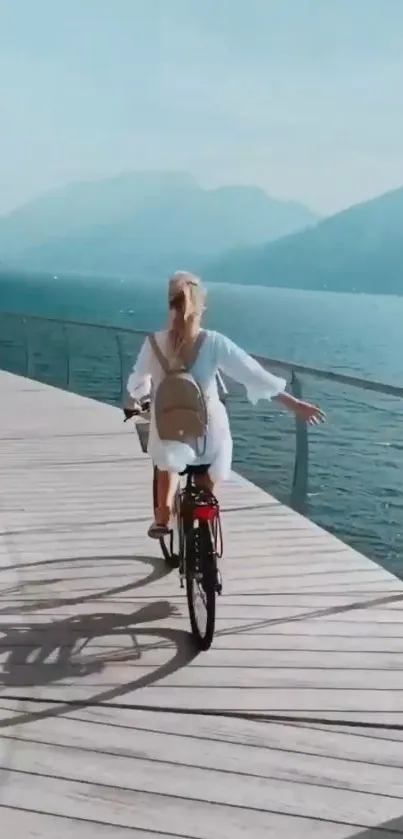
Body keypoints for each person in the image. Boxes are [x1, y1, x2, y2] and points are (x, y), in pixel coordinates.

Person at [125, 271, 325, 538]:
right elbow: (254, 376)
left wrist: (139, 396)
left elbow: (137, 383)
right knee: (207, 471)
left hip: (170, 429)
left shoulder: (154, 343)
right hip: (209, 432)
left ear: (170, 304)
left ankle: (162, 517)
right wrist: (296, 404)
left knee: (166, 461)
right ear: (201, 306)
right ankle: (206, 512)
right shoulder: (214, 342)